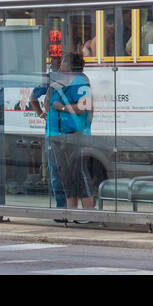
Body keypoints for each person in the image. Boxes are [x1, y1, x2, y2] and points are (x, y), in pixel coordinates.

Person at [51, 51, 95, 209]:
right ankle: (71, 213)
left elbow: (85, 106)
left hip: (75, 135)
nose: (60, 65)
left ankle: (89, 213)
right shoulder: (63, 81)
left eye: (63, 62)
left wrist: (62, 107)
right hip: (61, 134)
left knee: (81, 174)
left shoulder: (80, 81)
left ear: (70, 65)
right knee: (67, 176)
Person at [29, 52, 66, 208]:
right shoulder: (52, 79)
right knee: (59, 171)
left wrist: (42, 113)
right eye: (53, 58)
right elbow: (32, 98)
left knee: (57, 171)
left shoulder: (54, 78)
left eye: (58, 58)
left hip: (56, 131)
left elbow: (33, 98)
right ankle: (64, 207)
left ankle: (63, 208)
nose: (55, 61)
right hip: (60, 130)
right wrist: (41, 114)